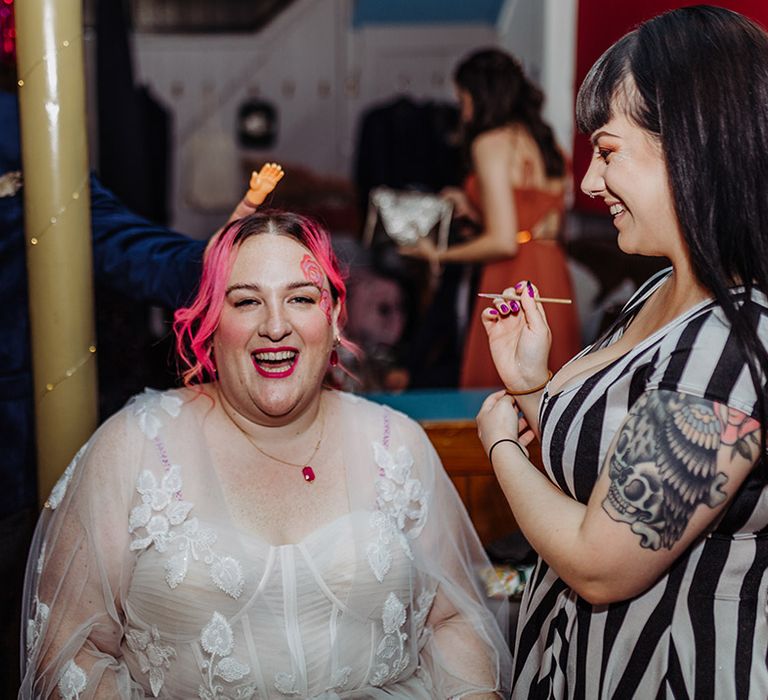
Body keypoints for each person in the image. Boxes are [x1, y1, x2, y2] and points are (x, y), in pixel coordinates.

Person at [19, 210, 511, 698]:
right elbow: (73, 652)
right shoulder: (134, 449)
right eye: (246, 301)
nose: (275, 326)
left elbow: (451, 620)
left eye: (300, 298)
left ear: (334, 314)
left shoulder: (394, 443)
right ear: (210, 321)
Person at [475, 6, 768, 698]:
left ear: (695, 144)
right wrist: (531, 385)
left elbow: (600, 563)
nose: (587, 184)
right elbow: (615, 457)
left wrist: (501, 446)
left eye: (607, 152)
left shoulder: (732, 343)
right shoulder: (663, 290)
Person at [400, 48, 581, 387]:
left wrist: (437, 254)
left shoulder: (490, 143)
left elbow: (503, 240)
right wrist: (471, 203)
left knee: (502, 380)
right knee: (550, 384)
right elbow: (535, 218)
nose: (464, 114)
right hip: (551, 267)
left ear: (480, 97)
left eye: (464, 100)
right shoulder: (545, 142)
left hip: (512, 274)